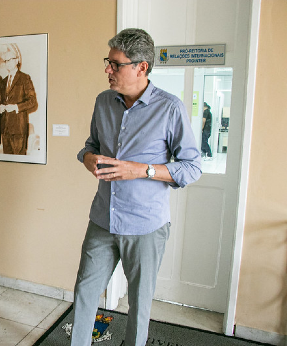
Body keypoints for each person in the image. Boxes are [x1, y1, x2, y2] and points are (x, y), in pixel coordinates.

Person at [72, 28, 202, 346]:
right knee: (85, 294)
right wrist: (88, 159)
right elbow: (89, 146)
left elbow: (192, 168)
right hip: (102, 220)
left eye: (115, 64)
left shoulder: (170, 108)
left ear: (141, 67)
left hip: (145, 226)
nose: (107, 69)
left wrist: (140, 170)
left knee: (139, 305)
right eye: (108, 62)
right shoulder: (103, 102)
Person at [0, 50, 37, 155]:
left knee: (19, 162)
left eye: (10, 60)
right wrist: (0, 107)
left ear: (16, 61)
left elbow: (33, 101)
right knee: (8, 163)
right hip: (5, 128)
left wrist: (16, 107)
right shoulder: (3, 81)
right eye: (5, 61)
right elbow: (1, 101)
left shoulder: (25, 78)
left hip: (18, 128)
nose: (7, 63)